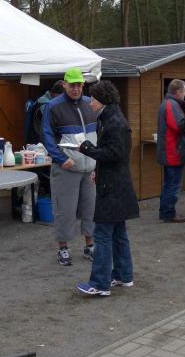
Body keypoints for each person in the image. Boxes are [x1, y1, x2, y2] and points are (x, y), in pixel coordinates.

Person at [75, 81, 138, 296]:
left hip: (112, 187)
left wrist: (87, 148)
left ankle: (100, 284)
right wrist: (98, 169)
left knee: (102, 235)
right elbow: (114, 153)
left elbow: (114, 153)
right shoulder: (112, 118)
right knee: (119, 233)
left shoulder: (113, 121)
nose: (90, 102)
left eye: (93, 98)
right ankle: (123, 275)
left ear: (102, 100)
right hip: (117, 183)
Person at [42, 67, 98, 265]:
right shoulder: (53, 106)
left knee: (90, 209)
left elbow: (99, 132)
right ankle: (63, 248)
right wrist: (60, 158)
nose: (76, 89)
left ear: (83, 85)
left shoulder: (90, 104)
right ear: (64, 84)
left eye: (79, 85)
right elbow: (47, 136)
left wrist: (98, 159)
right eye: (72, 85)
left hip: (89, 168)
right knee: (64, 209)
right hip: (66, 167)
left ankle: (90, 245)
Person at [156, 79, 185, 222]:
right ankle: (168, 213)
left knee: (169, 184)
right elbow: (179, 126)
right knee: (173, 185)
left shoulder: (168, 103)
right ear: (178, 92)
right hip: (173, 152)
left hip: (170, 150)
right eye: (184, 91)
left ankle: (165, 212)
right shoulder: (171, 105)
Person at [29, 80, 65, 145]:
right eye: (63, 96)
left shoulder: (51, 102)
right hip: (43, 143)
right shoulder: (44, 105)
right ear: (56, 94)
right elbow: (54, 125)